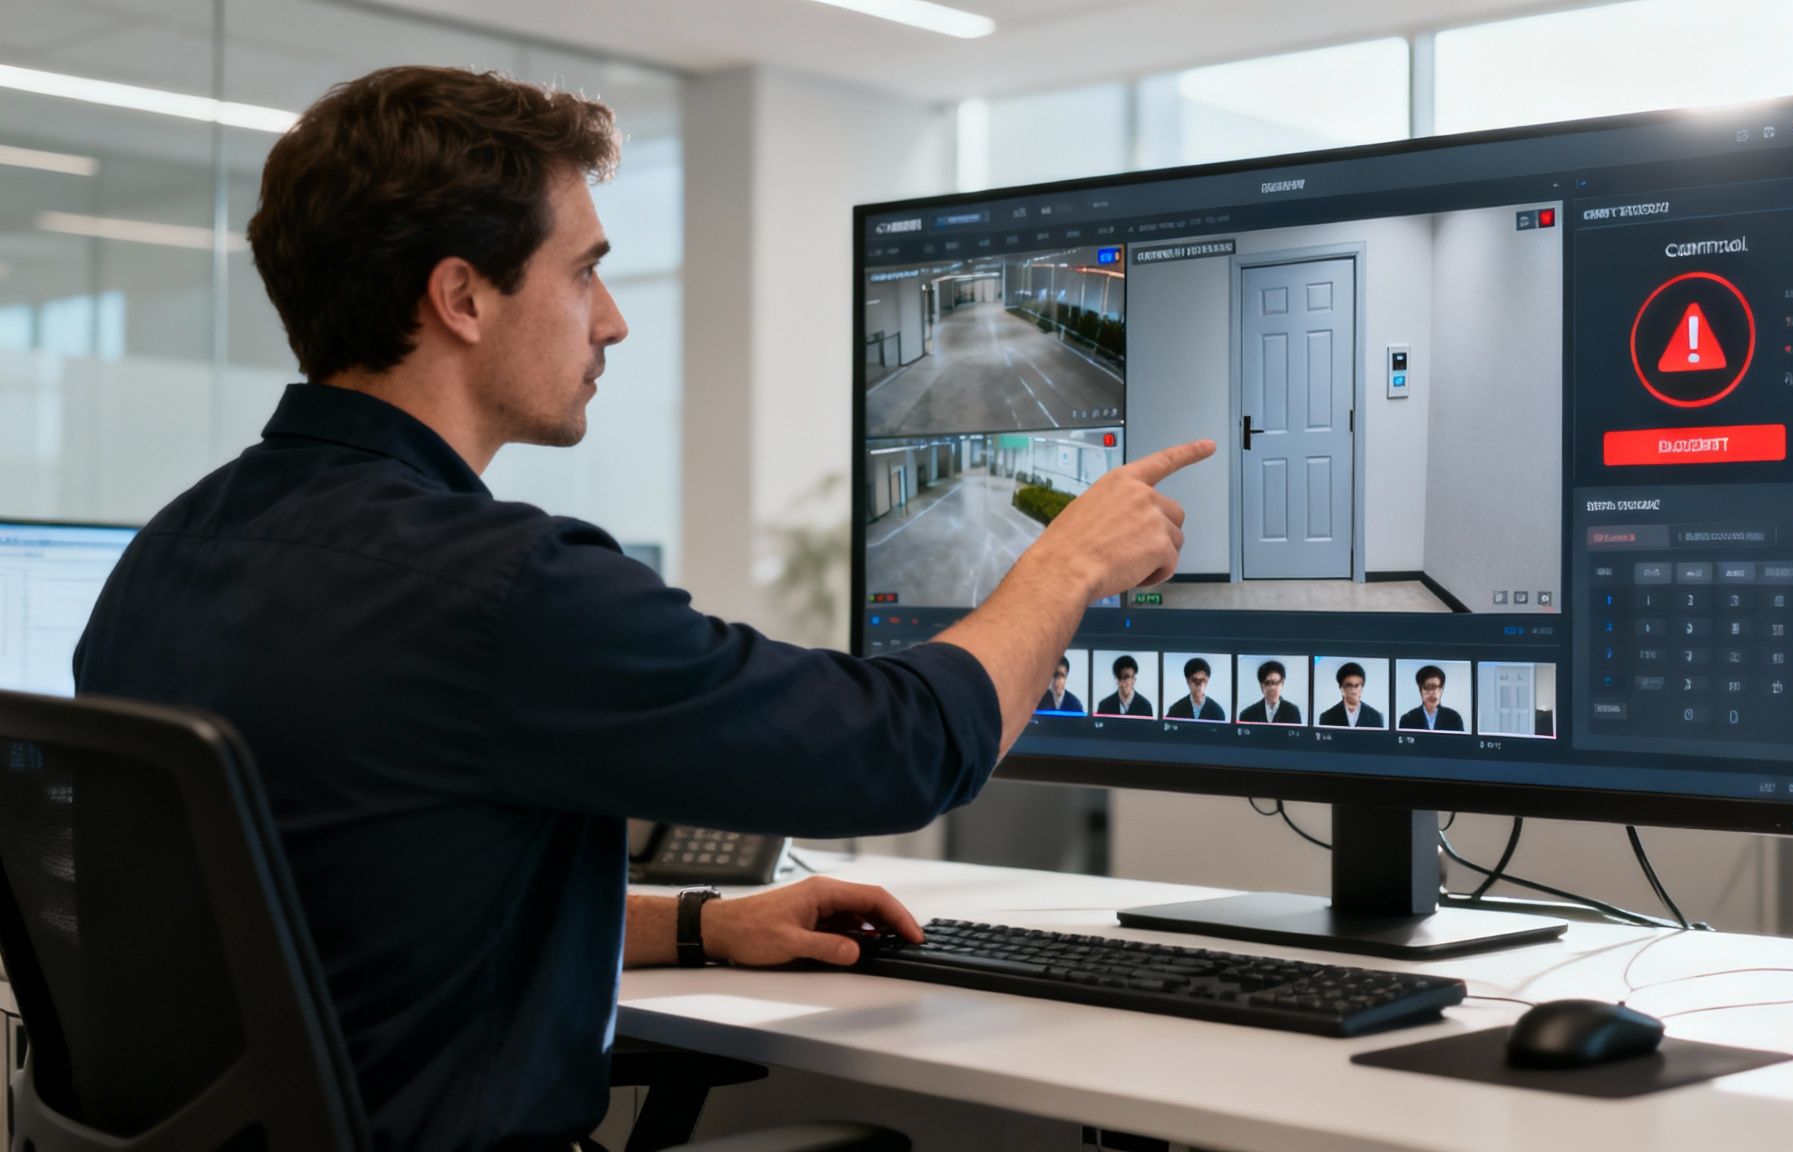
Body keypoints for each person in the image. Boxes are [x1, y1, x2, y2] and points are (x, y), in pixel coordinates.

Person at [70, 66, 1213, 1151]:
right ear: (461, 297)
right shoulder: (501, 587)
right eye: (583, 272)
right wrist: (1064, 566)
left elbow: (330, 923)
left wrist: (698, 924)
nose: (611, 320)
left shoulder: (170, 552)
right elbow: (897, 752)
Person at [1398, 664, 1466, 732]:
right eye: (1427, 687)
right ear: (1420, 690)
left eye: (1434, 687)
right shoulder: (1407, 719)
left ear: (1441, 689)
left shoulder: (1454, 718)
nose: (1431, 693)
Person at [1317, 661, 1383, 729]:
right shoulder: (1327, 717)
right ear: (1341, 687)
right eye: (1349, 685)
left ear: (1362, 687)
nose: (1353, 689)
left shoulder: (1375, 717)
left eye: (1357, 685)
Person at [1239, 659, 1302, 724]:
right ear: (1261, 685)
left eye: (1276, 682)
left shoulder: (1293, 712)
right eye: (1267, 683)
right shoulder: (1247, 715)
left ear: (1282, 683)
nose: (1272, 688)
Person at [1166, 656, 1225, 721]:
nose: (1199, 685)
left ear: (1207, 681)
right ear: (1188, 681)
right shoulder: (1175, 710)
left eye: (1202, 680)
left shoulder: (1217, 712)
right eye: (1195, 680)